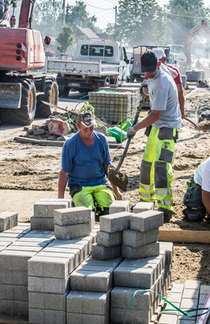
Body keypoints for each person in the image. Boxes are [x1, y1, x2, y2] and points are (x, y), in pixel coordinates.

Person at [126, 51, 182, 222]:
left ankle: (165, 208)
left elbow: (155, 115)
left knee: (161, 167)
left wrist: (134, 128)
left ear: (158, 65)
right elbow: (173, 72)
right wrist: (146, 87)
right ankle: (146, 200)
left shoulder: (162, 83)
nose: (149, 74)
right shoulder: (159, 72)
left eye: (151, 71)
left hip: (168, 126)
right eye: (146, 71)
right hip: (157, 127)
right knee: (147, 164)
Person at [58, 111, 123, 216]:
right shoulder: (70, 144)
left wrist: (116, 189)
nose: (89, 131)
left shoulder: (101, 139)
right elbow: (64, 172)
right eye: (85, 128)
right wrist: (60, 199)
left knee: (110, 212)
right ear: (77, 126)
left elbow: (107, 166)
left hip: (99, 183)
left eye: (91, 127)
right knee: (87, 215)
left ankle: (98, 204)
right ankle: (84, 204)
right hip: (80, 185)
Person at [153, 48, 186, 119]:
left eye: (159, 59)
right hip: (156, 107)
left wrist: (182, 110)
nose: (157, 62)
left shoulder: (173, 71)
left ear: (164, 59)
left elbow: (180, 92)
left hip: (171, 108)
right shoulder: (150, 71)